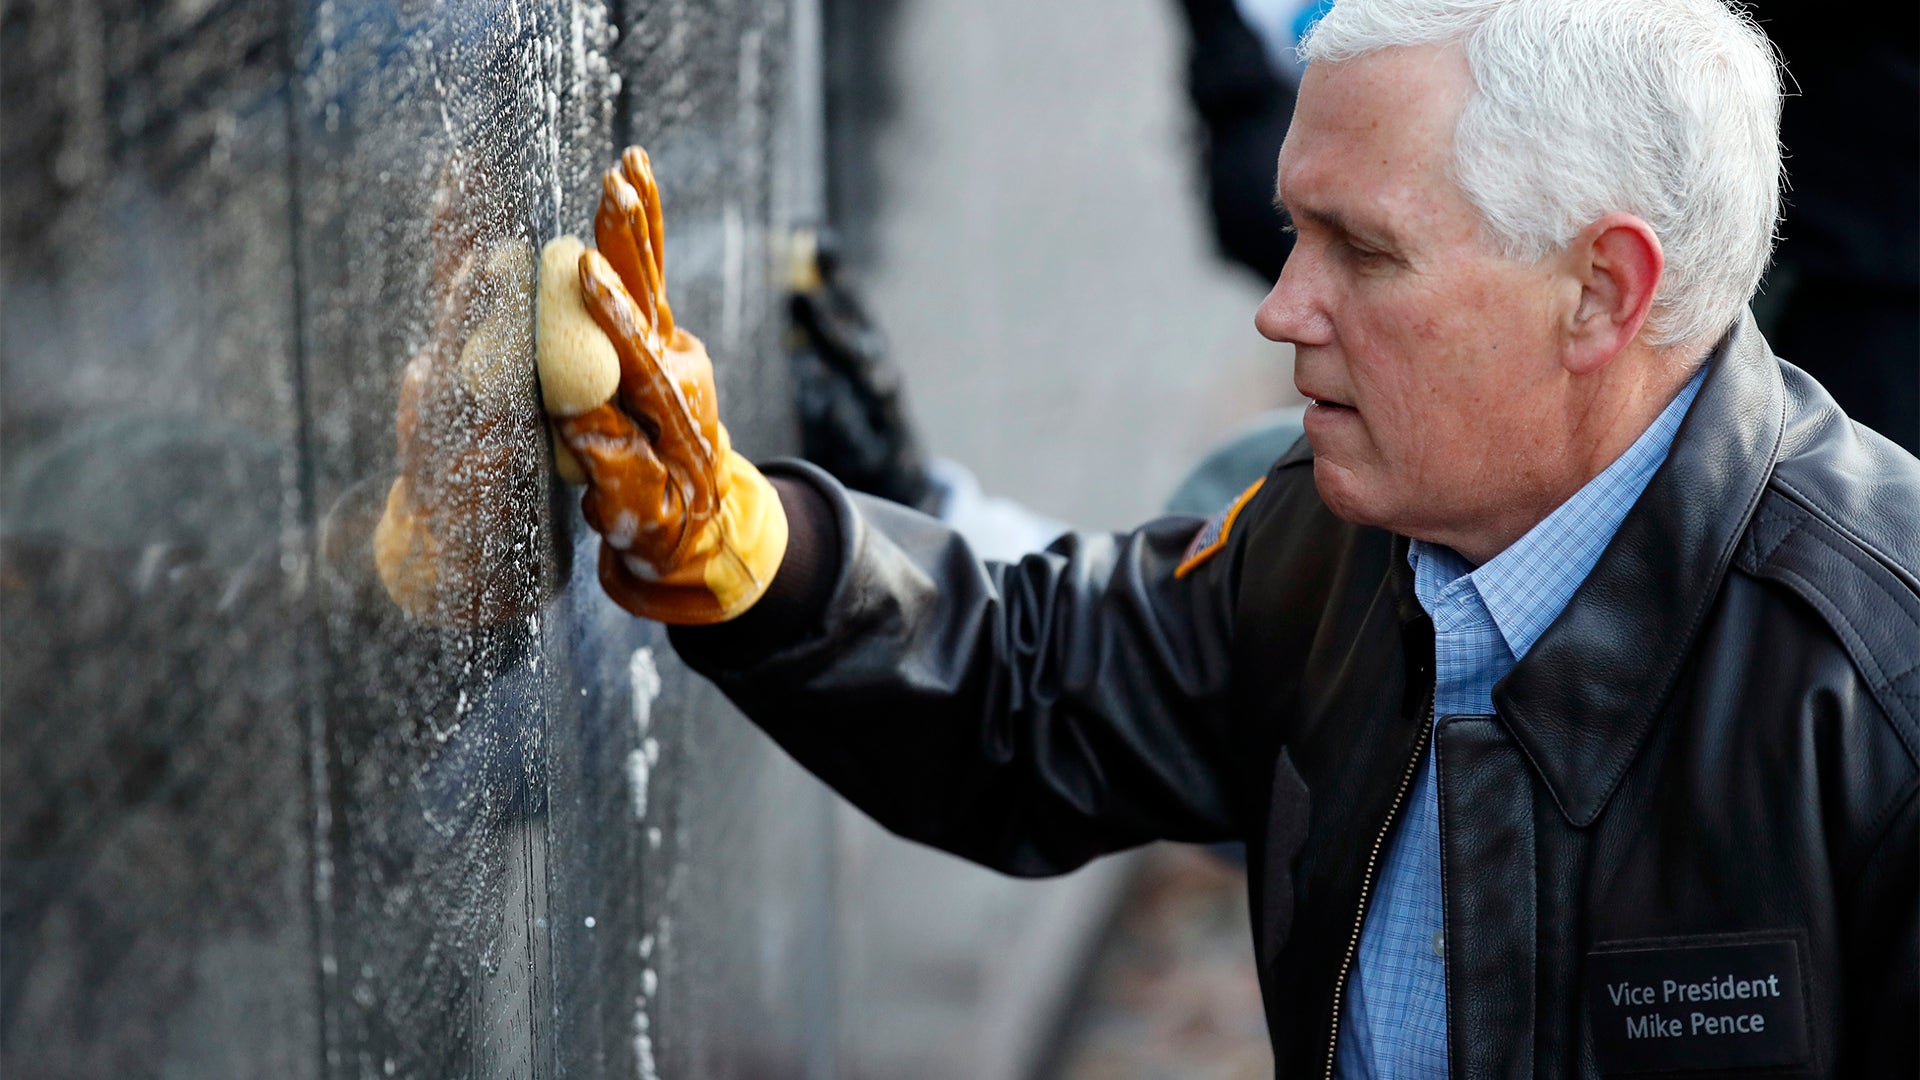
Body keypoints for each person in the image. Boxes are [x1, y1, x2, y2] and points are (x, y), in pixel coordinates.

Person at [532, 0, 1919, 1073]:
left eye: (1361, 251)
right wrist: (736, 541)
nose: (1283, 308)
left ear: (1601, 291)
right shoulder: (1328, 548)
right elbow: (1034, 685)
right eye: (1291, 235)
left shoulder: (1882, 685)